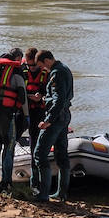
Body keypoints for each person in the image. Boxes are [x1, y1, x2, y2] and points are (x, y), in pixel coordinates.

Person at [0, 47, 29, 193]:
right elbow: (23, 98)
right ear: (17, 58)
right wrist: (26, 116)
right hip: (6, 114)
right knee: (9, 147)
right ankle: (6, 183)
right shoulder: (16, 72)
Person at [32, 49, 72, 203]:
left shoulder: (56, 73)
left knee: (39, 153)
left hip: (56, 118)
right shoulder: (65, 68)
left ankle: (43, 195)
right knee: (61, 155)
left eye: (42, 65)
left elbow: (59, 99)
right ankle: (61, 193)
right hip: (64, 116)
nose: (43, 69)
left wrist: (48, 120)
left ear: (47, 60)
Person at [23, 47, 48, 149]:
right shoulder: (22, 70)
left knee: (37, 134)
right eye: (29, 65)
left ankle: (37, 158)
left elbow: (50, 91)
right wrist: (29, 96)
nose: (31, 68)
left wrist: (41, 95)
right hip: (25, 107)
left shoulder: (45, 72)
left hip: (40, 109)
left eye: (34, 65)